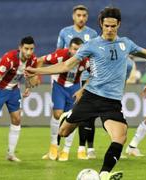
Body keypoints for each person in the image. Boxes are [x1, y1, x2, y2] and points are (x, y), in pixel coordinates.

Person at [25, 7, 146, 180]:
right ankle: (67, 117)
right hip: (91, 98)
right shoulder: (91, 45)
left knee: (120, 136)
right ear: (101, 24)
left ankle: (105, 174)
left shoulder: (126, 43)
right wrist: (38, 71)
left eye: (113, 26)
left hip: (112, 102)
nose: (109, 29)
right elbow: (65, 65)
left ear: (119, 25)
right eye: (106, 25)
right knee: (63, 132)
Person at [56, 4, 98, 160]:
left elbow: (96, 56)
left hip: (87, 78)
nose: (81, 18)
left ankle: (87, 148)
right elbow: (59, 54)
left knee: (89, 115)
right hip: (70, 78)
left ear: (87, 17)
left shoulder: (93, 33)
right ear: (73, 16)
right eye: (78, 15)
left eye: (84, 15)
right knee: (72, 113)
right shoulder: (64, 32)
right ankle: (58, 148)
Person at [39, 37, 89, 161]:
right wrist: (36, 77)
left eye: (79, 49)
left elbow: (94, 75)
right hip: (59, 86)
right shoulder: (60, 55)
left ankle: (66, 150)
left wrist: (82, 89)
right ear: (69, 48)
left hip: (74, 88)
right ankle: (53, 147)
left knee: (71, 118)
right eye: (74, 49)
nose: (76, 52)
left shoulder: (86, 60)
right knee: (57, 114)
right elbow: (41, 60)